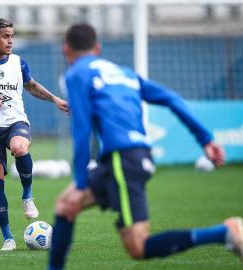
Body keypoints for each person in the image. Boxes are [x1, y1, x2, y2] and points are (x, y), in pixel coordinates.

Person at [47, 23, 242, 270]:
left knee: (138, 246)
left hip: (123, 160)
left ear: (66, 50)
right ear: (98, 48)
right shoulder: (125, 73)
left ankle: (224, 233)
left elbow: (82, 129)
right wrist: (206, 139)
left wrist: (82, 184)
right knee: (65, 205)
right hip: (126, 158)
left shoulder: (76, 74)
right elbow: (171, 98)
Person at [0, 18, 69, 251]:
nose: (10, 41)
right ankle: (8, 237)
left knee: (19, 147)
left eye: (12, 36)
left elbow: (32, 86)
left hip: (15, 122)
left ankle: (27, 195)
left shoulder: (18, 62)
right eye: (5, 36)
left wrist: (55, 99)